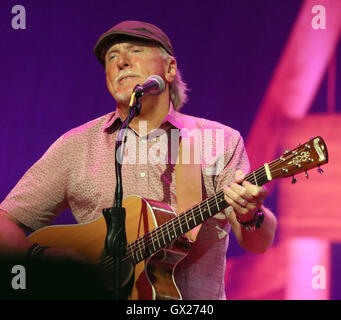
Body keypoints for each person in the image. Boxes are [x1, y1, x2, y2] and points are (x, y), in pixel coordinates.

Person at [0, 20, 277, 300]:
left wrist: (251, 214)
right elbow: (5, 222)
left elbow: (257, 243)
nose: (120, 62)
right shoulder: (76, 145)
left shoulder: (219, 141)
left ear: (169, 69)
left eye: (135, 51)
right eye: (111, 57)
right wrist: (44, 258)